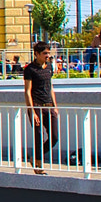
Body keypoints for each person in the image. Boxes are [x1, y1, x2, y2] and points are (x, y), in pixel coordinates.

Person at [22, 39, 59, 174]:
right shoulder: (30, 69)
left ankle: (36, 157)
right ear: (36, 54)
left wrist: (55, 106)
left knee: (54, 137)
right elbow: (27, 91)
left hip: (48, 105)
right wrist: (33, 111)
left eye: (48, 53)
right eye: (44, 53)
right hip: (36, 106)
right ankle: (38, 166)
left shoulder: (49, 67)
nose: (47, 56)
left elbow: (50, 87)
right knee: (38, 135)